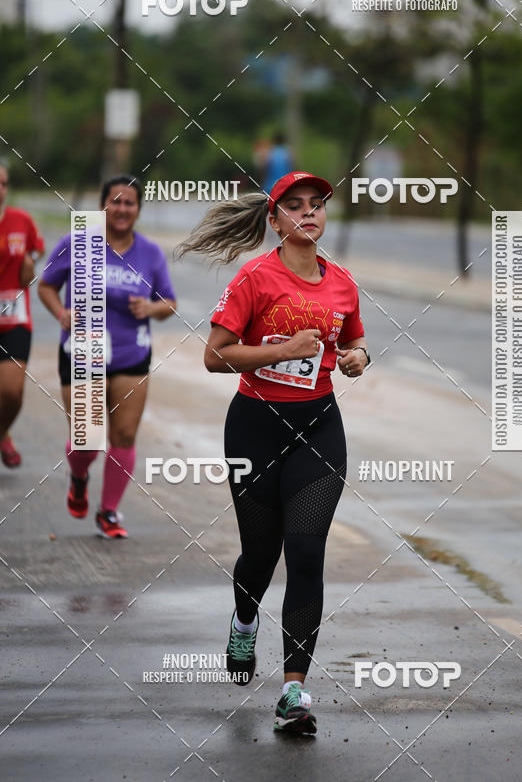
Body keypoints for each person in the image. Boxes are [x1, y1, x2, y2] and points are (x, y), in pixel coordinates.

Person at [176, 171, 370, 734]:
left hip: (318, 427)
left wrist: (358, 358)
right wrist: (282, 351)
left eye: (317, 205)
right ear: (275, 219)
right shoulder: (254, 278)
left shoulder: (343, 283)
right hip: (256, 429)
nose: (309, 213)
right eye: (296, 206)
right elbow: (214, 356)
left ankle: (293, 693)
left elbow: (354, 340)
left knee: (306, 553)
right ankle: (244, 621)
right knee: (260, 555)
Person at [38, 175, 176, 538]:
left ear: (138, 210)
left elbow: (169, 303)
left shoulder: (150, 253)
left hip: (132, 354)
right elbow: (46, 286)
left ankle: (109, 512)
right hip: (84, 350)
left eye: (129, 203)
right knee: (87, 439)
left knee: (124, 435)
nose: (122, 209)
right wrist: (61, 313)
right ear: (102, 206)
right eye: (115, 201)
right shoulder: (76, 243)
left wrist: (150, 308)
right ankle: (79, 476)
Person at [0, 160, 45, 467]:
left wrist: (30, 263)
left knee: (12, 392)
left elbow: (37, 248)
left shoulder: (20, 219)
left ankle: (2, 432)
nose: (0, 189)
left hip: (14, 318)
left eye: (3, 184)